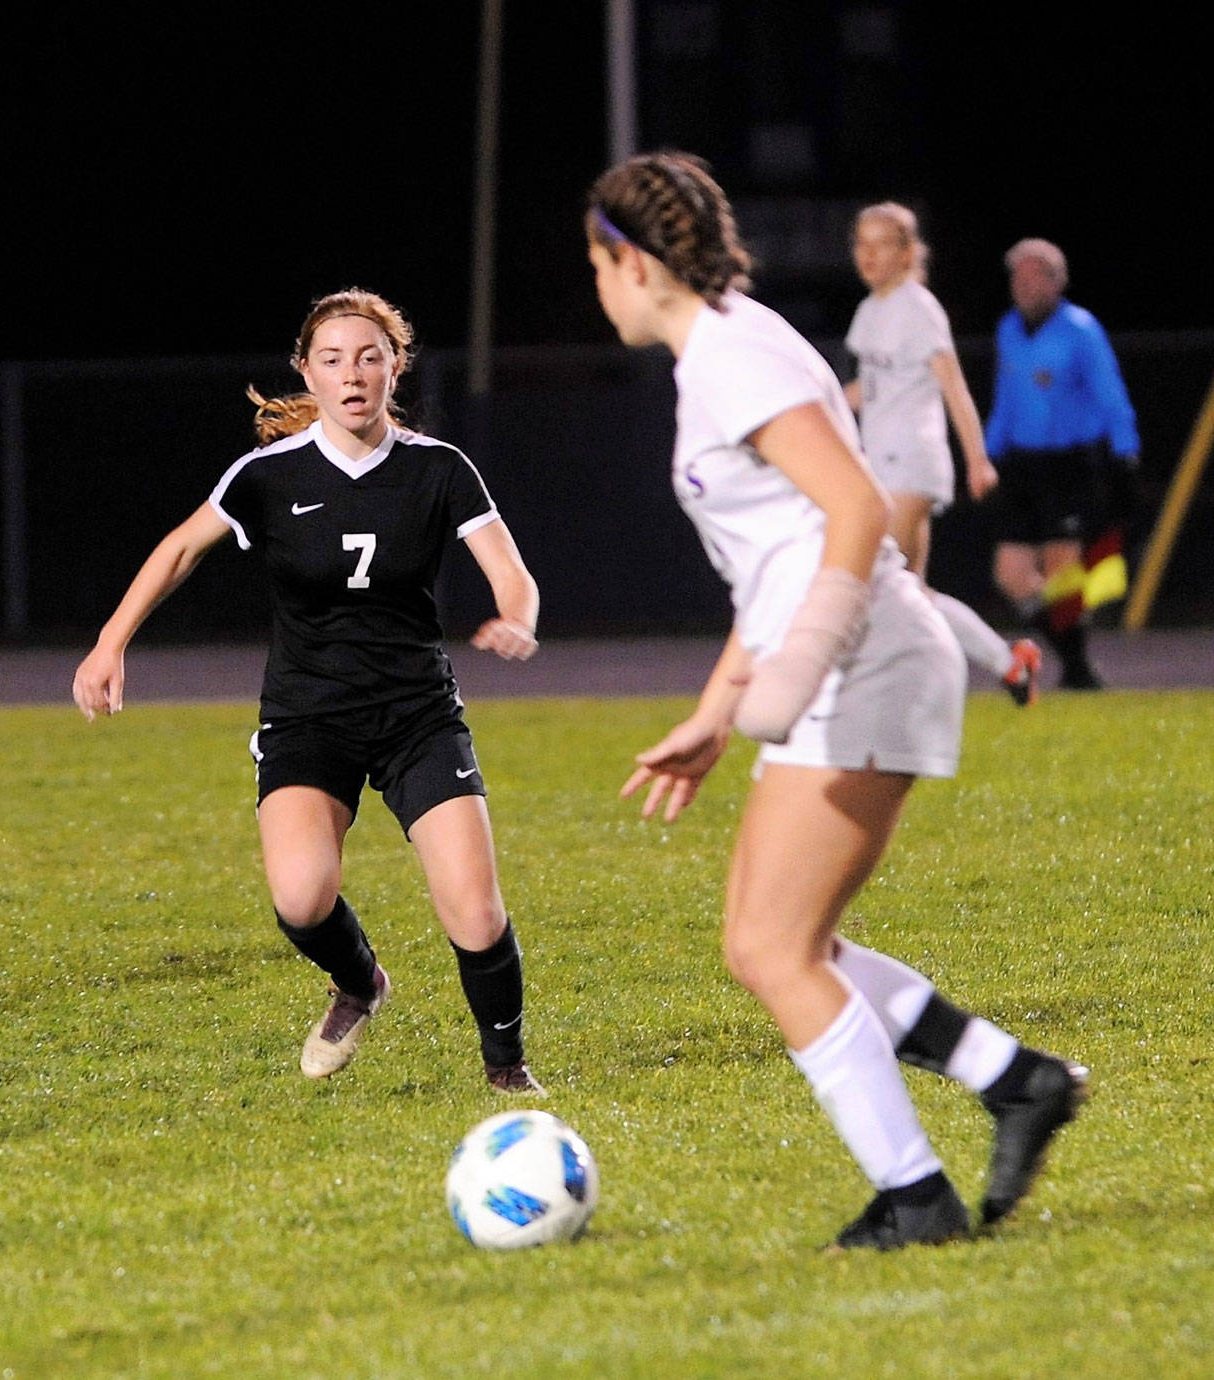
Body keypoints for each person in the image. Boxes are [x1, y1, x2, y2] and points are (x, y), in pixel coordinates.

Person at [585, 152, 1086, 1250]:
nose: (593, 282)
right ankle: (1014, 1081)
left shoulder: (726, 357)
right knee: (774, 939)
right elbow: (773, 563)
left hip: (863, 659)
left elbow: (856, 509)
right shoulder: (726, 344)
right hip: (848, 656)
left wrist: (799, 666)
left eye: (593, 260)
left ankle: (916, 1198)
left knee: (774, 948)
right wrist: (718, 712)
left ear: (626, 258)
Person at [73, 287, 546, 1095]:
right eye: (332, 359)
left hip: (416, 715)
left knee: (474, 909)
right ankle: (360, 984)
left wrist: (516, 618)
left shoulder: (438, 469)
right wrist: (111, 641)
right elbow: (181, 548)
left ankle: (508, 1073)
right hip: (308, 714)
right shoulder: (267, 475)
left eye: (369, 356)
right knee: (300, 897)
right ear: (307, 371)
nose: (352, 374)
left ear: (395, 367)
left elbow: (514, 576)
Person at [845, 202, 1042, 705]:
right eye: (860, 243)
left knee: (873, 582)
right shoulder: (871, 310)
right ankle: (1009, 663)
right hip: (883, 464)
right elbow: (865, 391)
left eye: (880, 243)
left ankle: (877, 694)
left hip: (912, 463)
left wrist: (978, 459)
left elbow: (953, 387)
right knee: (910, 592)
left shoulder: (917, 307)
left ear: (907, 252)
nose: (866, 254)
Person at [986, 238, 1141, 689]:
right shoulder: (1009, 329)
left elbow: (1111, 395)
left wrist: (1125, 452)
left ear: (1058, 281)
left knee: (1063, 576)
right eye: (1018, 276)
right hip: (1020, 464)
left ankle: (1076, 668)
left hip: (1069, 465)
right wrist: (987, 456)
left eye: (1035, 276)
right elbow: (1005, 400)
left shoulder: (1080, 329)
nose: (1025, 285)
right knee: (1011, 574)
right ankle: (1074, 658)